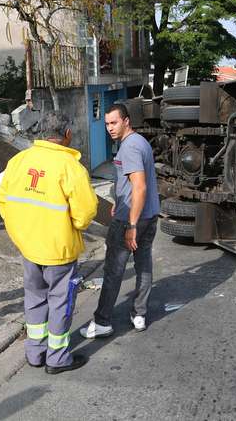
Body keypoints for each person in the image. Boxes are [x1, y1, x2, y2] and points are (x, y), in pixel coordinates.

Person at [0, 111, 98, 374]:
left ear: (41, 133)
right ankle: (57, 358)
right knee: (59, 302)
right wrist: (74, 226)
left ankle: (35, 352)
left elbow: (3, 201)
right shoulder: (71, 168)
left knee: (34, 299)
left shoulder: (19, 160)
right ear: (67, 135)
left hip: (28, 247)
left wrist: (20, 232)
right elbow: (85, 214)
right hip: (58, 251)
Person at [81, 103, 159, 339]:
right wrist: (118, 198)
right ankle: (139, 315)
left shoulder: (130, 148)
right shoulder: (139, 142)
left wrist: (131, 225)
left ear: (126, 121)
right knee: (143, 264)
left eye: (114, 122)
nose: (109, 128)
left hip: (131, 219)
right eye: (106, 124)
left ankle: (103, 321)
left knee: (114, 270)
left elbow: (140, 186)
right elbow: (129, 183)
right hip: (148, 214)